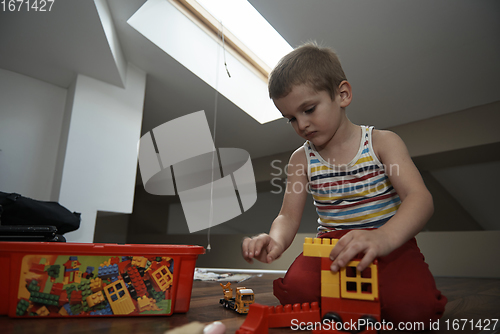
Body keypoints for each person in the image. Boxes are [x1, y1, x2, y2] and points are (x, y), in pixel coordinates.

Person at [241, 42, 447, 326]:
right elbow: (287, 216)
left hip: (387, 242)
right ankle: (356, 303)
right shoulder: (301, 159)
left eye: (309, 109)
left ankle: (361, 301)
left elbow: (419, 198)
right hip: (330, 248)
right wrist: (275, 239)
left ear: (342, 94)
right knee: (295, 290)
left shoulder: (383, 143)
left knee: (417, 311)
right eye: (291, 118)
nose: (302, 125)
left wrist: (384, 238)